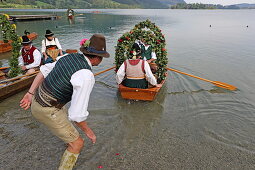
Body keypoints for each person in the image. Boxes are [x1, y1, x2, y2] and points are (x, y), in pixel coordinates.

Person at [20, 34, 110, 170]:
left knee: (66, 115)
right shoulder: (86, 75)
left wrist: (30, 93)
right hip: (47, 110)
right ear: (98, 58)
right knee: (78, 143)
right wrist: (89, 131)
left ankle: (68, 142)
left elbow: (43, 71)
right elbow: (77, 115)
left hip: (35, 101)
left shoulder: (68, 56)